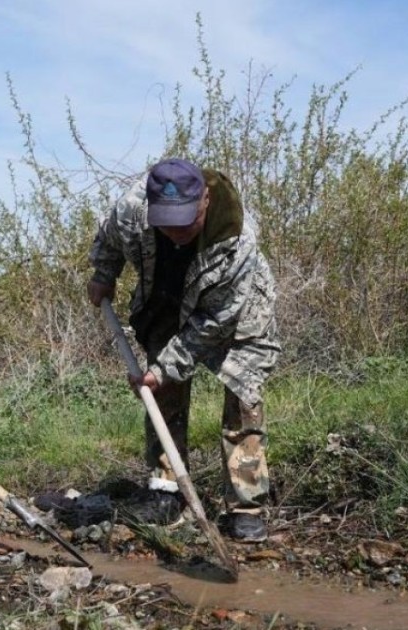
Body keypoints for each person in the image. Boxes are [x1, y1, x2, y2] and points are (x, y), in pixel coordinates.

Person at [87, 157, 281, 541]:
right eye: (166, 222)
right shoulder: (132, 208)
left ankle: (246, 503)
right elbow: (109, 239)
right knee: (163, 396)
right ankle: (168, 491)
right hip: (167, 299)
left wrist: (165, 366)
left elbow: (214, 323)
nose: (176, 231)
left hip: (235, 312)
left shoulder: (236, 238)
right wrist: (103, 273)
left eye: (185, 221)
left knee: (243, 399)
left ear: (204, 201)